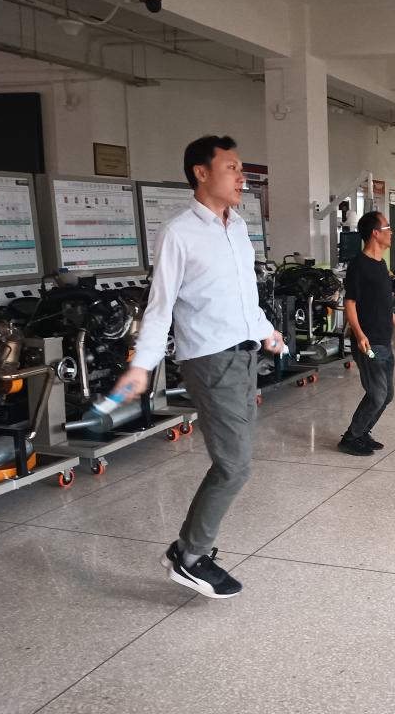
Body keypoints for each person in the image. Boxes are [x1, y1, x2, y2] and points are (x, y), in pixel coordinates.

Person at [114, 135, 283, 599]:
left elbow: (244, 296)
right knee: (234, 466)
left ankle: (187, 550)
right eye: (232, 168)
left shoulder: (238, 227)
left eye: (241, 168)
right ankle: (189, 557)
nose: (241, 177)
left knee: (236, 459)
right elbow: (160, 307)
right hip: (210, 359)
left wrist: (267, 330)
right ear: (201, 173)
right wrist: (142, 365)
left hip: (245, 354)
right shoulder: (179, 233)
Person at [338, 211, 395, 457]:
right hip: (368, 341)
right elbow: (350, 304)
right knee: (377, 395)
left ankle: (362, 432)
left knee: (386, 395)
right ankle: (351, 437)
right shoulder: (359, 266)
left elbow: (380, 303)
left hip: (383, 339)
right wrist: (359, 334)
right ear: (375, 233)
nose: (392, 232)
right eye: (387, 228)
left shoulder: (381, 264)